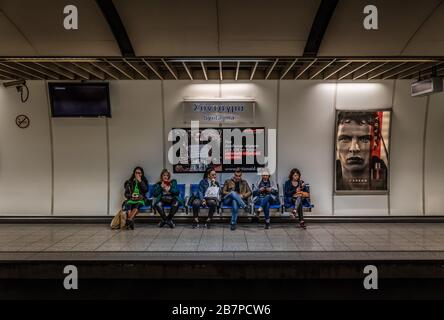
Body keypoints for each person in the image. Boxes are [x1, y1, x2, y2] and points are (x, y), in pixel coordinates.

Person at [336, 111, 388, 191]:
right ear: (335, 144)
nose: (354, 148)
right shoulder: (324, 181)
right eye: (345, 139)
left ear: (376, 143)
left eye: (364, 139)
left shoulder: (391, 183)